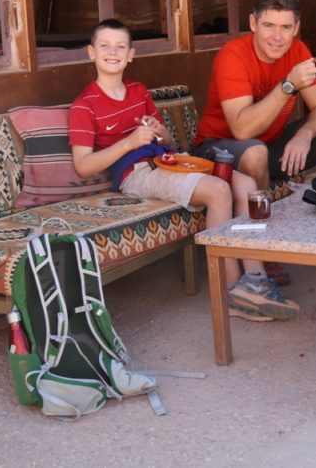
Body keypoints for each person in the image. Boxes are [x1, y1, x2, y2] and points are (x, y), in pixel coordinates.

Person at [69, 20, 299, 322]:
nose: (112, 52)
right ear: (91, 53)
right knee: (219, 190)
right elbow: (83, 166)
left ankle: (256, 280)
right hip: (136, 174)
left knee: (244, 184)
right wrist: (129, 143)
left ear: (130, 55)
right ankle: (230, 292)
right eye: (104, 46)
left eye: (120, 47)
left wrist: (160, 132)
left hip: (170, 161)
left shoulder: (138, 92)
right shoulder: (84, 106)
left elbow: (170, 142)